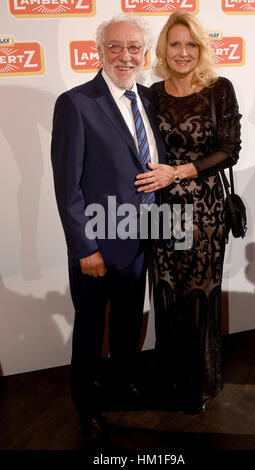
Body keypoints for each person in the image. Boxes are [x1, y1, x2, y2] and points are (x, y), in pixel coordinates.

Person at [51, 15, 166, 440]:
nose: (125, 55)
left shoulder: (151, 100)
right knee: (89, 330)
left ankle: (122, 384)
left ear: (144, 54)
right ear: (99, 51)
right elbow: (67, 186)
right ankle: (86, 406)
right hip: (97, 245)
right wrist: (85, 248)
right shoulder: (76, 103)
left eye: (133, 47)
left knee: (126, 324)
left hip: (140, 240)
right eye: (115, 47)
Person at [135, 11, 242, 413]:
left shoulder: (219, 90)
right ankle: (170, 377)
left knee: (199, 293)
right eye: (176, 44)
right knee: (166, 292)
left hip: (206, 210)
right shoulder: (151, 93)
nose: (183, 52)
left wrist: (178, 172)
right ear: (164, 48)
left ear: (201, 48)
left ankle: (200, 381)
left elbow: (229, 151)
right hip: (162, 209)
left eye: (191, 44)